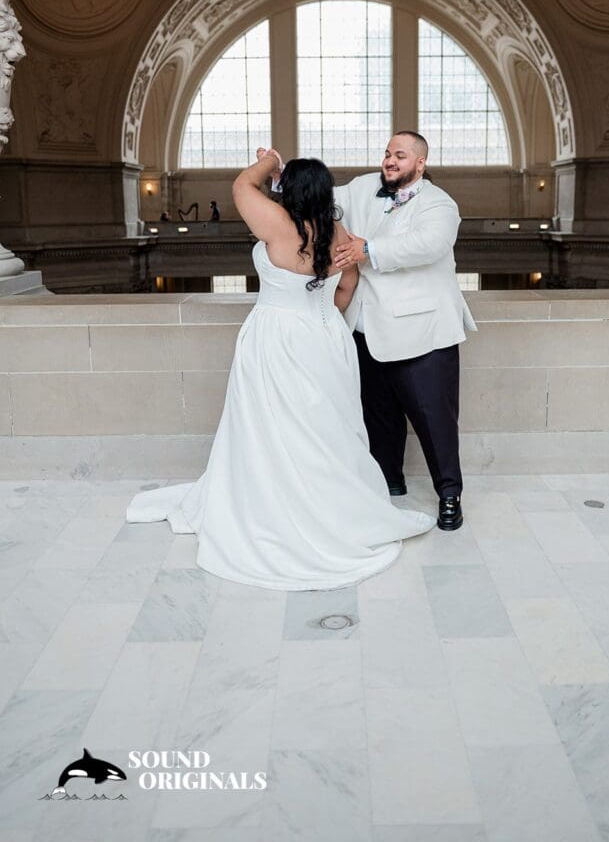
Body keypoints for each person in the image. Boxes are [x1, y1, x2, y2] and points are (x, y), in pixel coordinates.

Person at [126, 148, 435, 590]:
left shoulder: (274, 222)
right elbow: (348, 284)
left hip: (275, 336)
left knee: (270, 424)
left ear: (288, 189)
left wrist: (270, 161)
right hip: (326, 337)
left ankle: (272, 505)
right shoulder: (338, 230)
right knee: (324, 427)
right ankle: (328, 507)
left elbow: (240, 186)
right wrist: (326, 319)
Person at [330, 132, 477, 531]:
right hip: (365, 329)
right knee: (378, 417)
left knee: (435, 421)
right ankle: (388, 483)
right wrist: (280, 177)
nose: (390, 160)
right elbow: (323, 197)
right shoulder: (363, 188)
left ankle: (450, 495)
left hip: (424, 333)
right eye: (387, 153)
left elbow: (429, 244)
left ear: (420, 164)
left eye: (400, 155)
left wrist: (369, 251)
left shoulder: (440, 204)